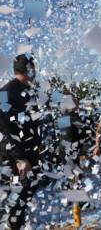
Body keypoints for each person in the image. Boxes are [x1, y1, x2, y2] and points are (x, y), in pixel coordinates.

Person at [0, 54, 41, 229]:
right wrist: (19, 158)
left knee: (23, 199)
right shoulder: (5, 92)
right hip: (15, 159)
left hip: (29, 155)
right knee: (14, 200)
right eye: (33, 68)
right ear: (28, 69)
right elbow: (3, 128)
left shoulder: (29, 91)